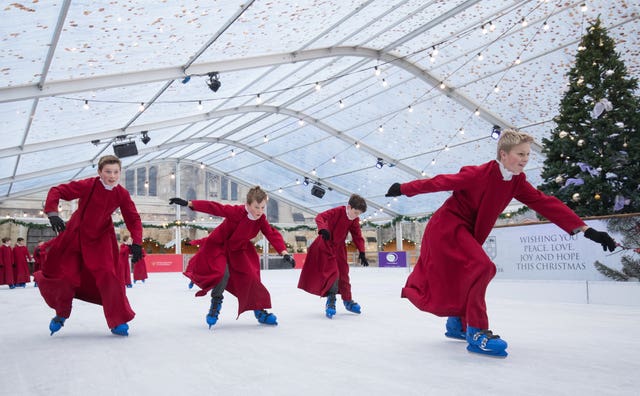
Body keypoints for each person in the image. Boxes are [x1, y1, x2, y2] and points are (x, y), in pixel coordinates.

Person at [385, 129, 617, 358]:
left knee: (466, 274)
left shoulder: (516, 181)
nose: (525, 159)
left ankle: (456, 324)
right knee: (483, 267)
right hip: (447, 228)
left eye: (527, 154)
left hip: (467, 232)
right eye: (520, 154)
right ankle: (476, 331)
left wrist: (586, 229)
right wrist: (404, 189)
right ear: (503, 155)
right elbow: (441, 182)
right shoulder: (479, 174)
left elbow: (544, 202)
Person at [34, 155, 143, 336]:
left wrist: (137, 242)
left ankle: (118, 320)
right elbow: (57, 190)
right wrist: (52, 212)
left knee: (109, 275)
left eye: (116, 172)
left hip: (101, 239)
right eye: (108, 171)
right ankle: (61, 314)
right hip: (76, 236)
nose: (112, 176)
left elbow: (133, 217)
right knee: (66, 277)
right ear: (100, 172)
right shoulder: (88, 185)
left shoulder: (121, 193)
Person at [170, 186, 295, 328]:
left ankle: (259, 311)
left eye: (262, 207)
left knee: (252, 278)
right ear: (248, 205)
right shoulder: (237, 212)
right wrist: (189, 203)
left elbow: (271, 233)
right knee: (221, 273)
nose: (260, 211)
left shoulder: (261, 219)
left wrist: (283, 252)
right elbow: (215, 208)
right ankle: (215, 304)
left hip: (239, 250)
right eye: (256, 207)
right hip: (220, 246)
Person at [297, 194, 369, 318]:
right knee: (333, 273)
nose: (357, 216)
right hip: (325, 244)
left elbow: (357, 235)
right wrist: (323, 229)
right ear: (349, 207)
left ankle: (347, 300)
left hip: (339, 247)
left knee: (344, 273)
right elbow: (320, 217)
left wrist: (362, 251)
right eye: (356, 212)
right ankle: (331, 300)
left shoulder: (354, 220)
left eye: (359, 214)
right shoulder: (337, 211)